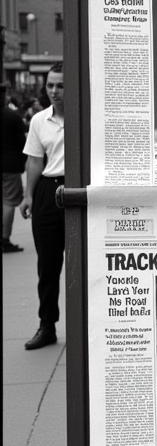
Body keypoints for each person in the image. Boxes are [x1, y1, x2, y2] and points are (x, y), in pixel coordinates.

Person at [21, 65, 65, 349]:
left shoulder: (85, 115)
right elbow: (35, 161)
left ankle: (89, 326)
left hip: (77, 189)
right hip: (48, 193)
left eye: (59, 85)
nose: (53, 91)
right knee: (47, 266)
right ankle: (46, 326)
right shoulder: (39, 120)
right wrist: (28, 196)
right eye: (50, 85)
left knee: (83, 264)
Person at [2, 86, 27, 252]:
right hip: (9, 166)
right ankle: (5, 239)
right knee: (9, 203)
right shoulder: (13, 117)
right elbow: (22, 143)